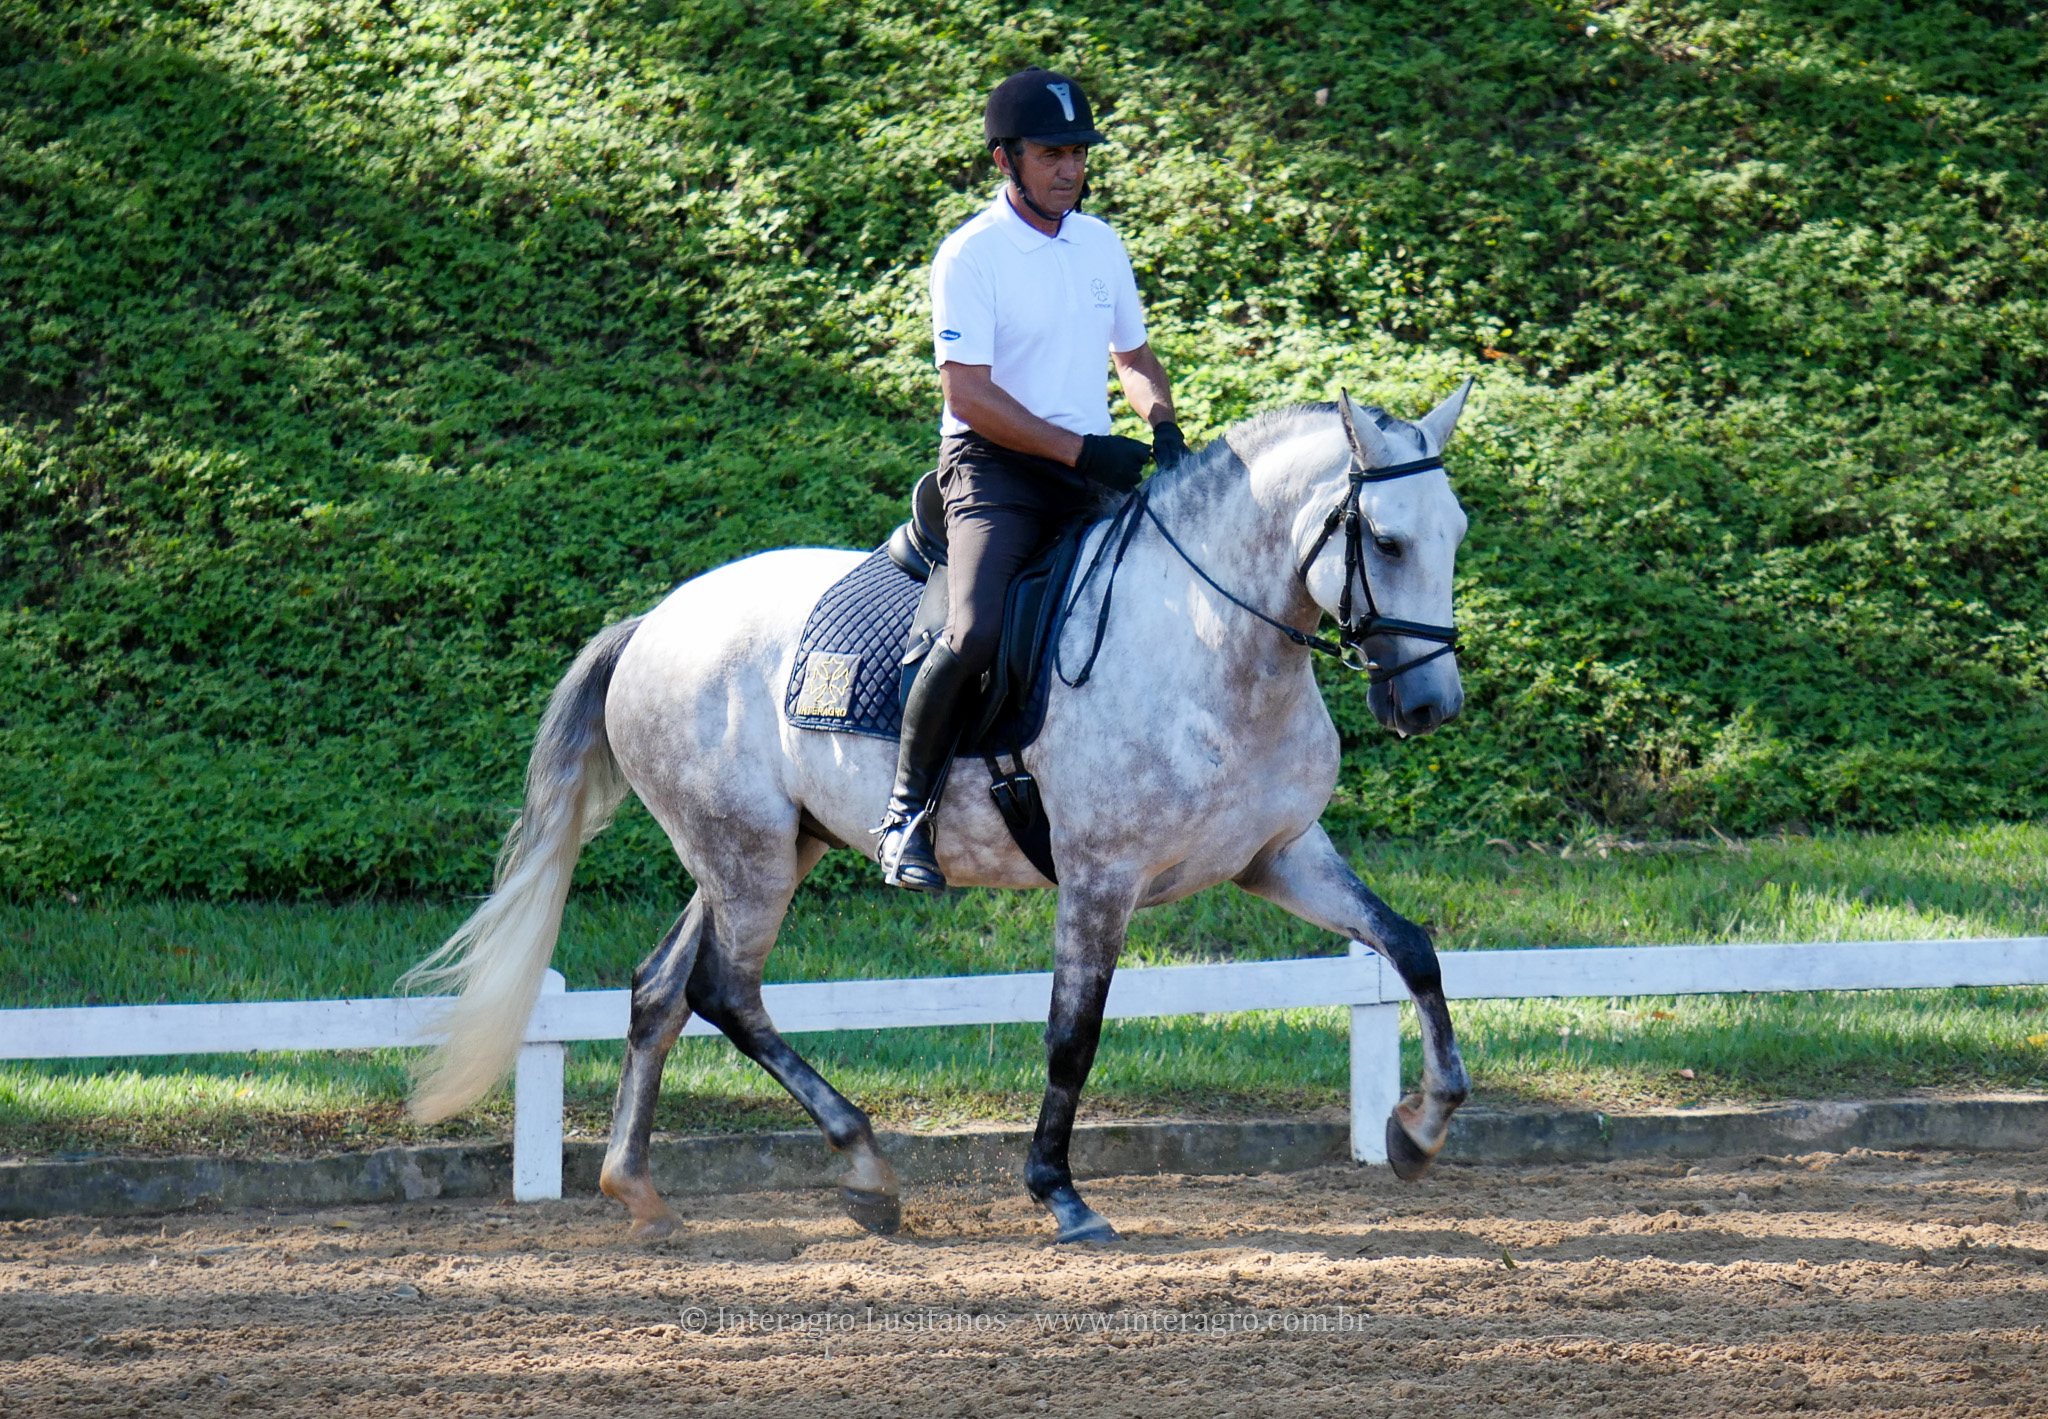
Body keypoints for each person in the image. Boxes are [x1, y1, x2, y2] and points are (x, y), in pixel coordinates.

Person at [873, 66, 1187, 891]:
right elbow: (968, 396)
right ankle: (906, 811)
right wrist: (1083, 453)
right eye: (1052, 154)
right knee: (974, 631)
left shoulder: (1101, 244)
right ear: (1006, 159)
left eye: (1079, 153)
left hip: (1088, 468)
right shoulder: (971, 254)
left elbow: (1134, 355)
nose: (1071, 169)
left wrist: (1162, 424)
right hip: (995, 470)